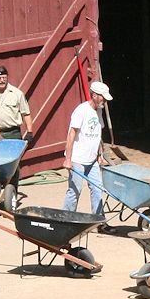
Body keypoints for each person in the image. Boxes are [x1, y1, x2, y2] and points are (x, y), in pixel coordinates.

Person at [62, 81, 111, 215]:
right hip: (78, 159)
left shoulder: (99, 111)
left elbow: (98, 133)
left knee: (97, 188)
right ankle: (66, 218)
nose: (105, 100)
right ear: (94, 95)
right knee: (75, 190)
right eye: (103, 97)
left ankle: (98, 221)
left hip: (92, 160)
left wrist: (100, 155)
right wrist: (68, 159)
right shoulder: (81, 110)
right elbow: (71, 133)